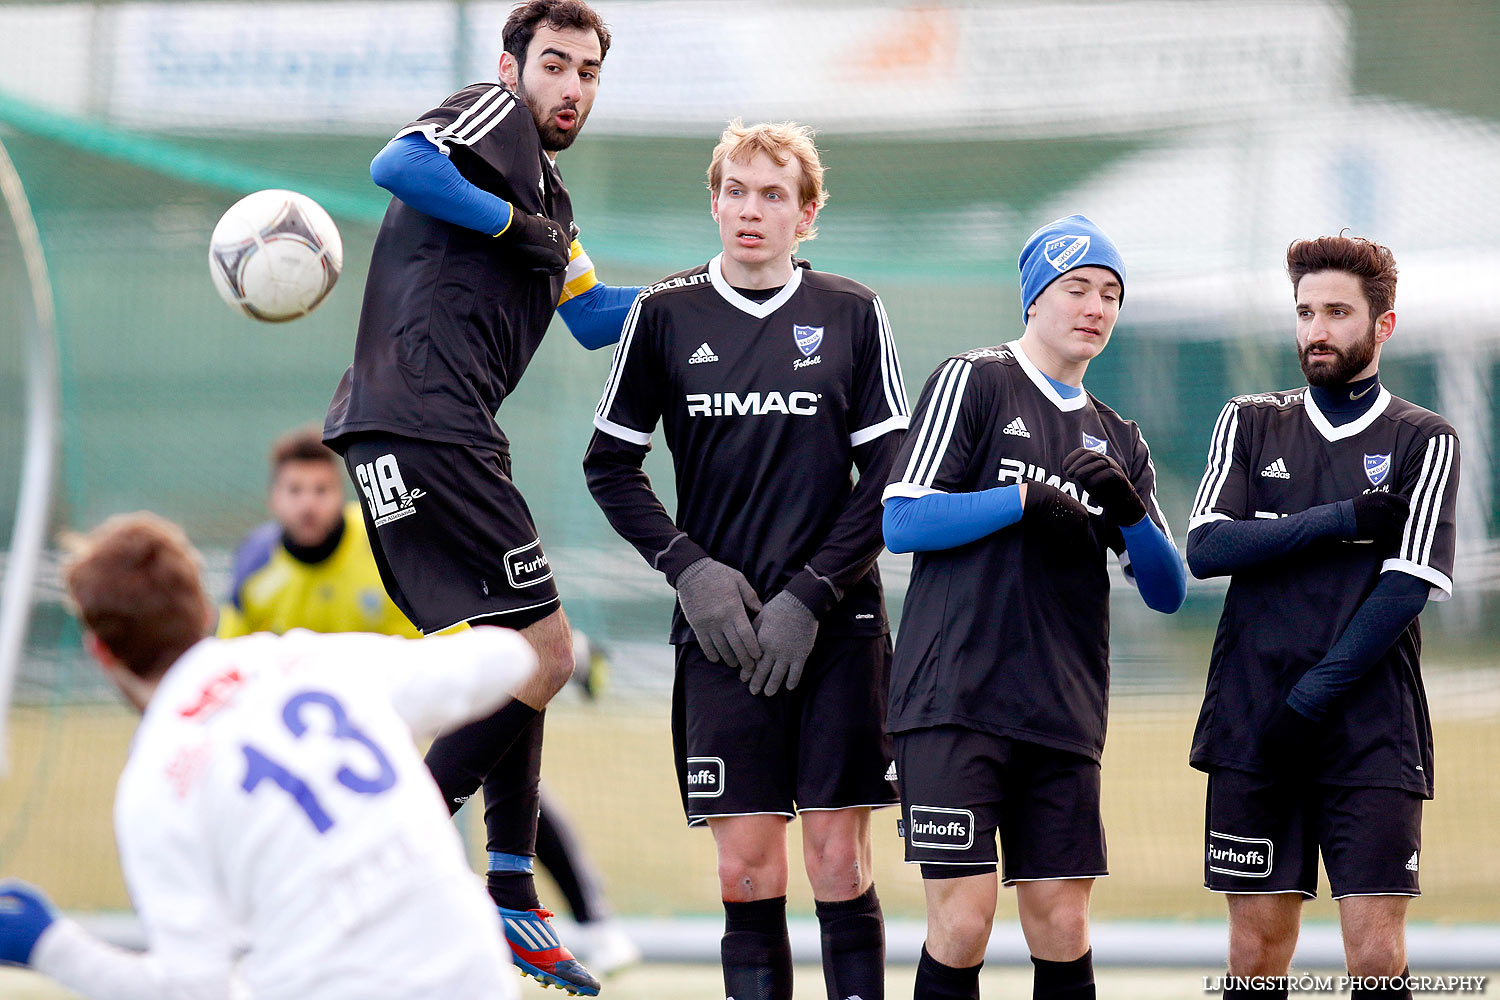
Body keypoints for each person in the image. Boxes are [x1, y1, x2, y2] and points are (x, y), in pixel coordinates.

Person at [321, 1, 638, 991]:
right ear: (513, 66)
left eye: (587, 72)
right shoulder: (490, 118)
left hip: (400, 432)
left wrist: (721, 292)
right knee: (546, 651)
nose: (571, 87)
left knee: (512, 649)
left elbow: (595, 321)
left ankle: (507, 888)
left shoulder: (560, 208)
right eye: (555, 64)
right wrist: (512, 221)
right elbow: (400, 166)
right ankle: (384, 869)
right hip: (430, 421)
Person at [585, 120, 909, 1000]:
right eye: (735, 190)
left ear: (808, 216)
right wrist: (689, 568)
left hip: (837, 627)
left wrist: (811, 592)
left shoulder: (851, 312)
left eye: (773, 195)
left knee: (838, 859)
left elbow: (890, 474)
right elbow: (609, 464)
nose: (750, 209)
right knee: (749, 871)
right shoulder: (664, 314)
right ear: (715, 201)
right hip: (722, 637)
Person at [0, 512, 537, 999]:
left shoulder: (154, 785)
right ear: (203, 607)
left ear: (102, 653)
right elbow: (509, 658)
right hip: (472, 974)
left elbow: (191, 990)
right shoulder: (307, 659)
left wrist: (50, 945)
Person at [881, 215, 1187, 1000]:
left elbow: (1167, 590)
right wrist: (1021, 498)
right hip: (955, 701)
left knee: (1061, 924)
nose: (1096, 306)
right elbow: (903, 519)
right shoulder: (976, 379)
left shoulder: (1120, 437)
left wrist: (1126, 511)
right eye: (1077, 287)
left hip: (1062, 708)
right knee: (964, 923)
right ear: (1034, 298)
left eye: (1111, 294)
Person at [220, 426, 641, 974]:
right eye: (295, 491)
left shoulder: (376, 536)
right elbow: (228, 666)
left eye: (320, 489)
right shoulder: (255, 568)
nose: (308, 503)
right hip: (326, 727)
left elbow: (454, 629)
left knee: (500, 760)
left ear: (339, 493)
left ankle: (593, 921)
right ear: (276, 498)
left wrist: (529, 656)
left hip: (415, 685)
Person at [1186, 236, 1459, 1000]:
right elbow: (1207, 547)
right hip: (1252, 724)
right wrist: (1341, 518)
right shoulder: (1249, 421)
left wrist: (1311, 699)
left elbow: (1404, 586)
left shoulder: (1423, 437)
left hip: (1369, 730)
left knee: (1375, 953)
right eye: (1306, 312)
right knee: (1256, 952)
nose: (1316, 330)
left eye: (1337, 312)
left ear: (1384, 325)